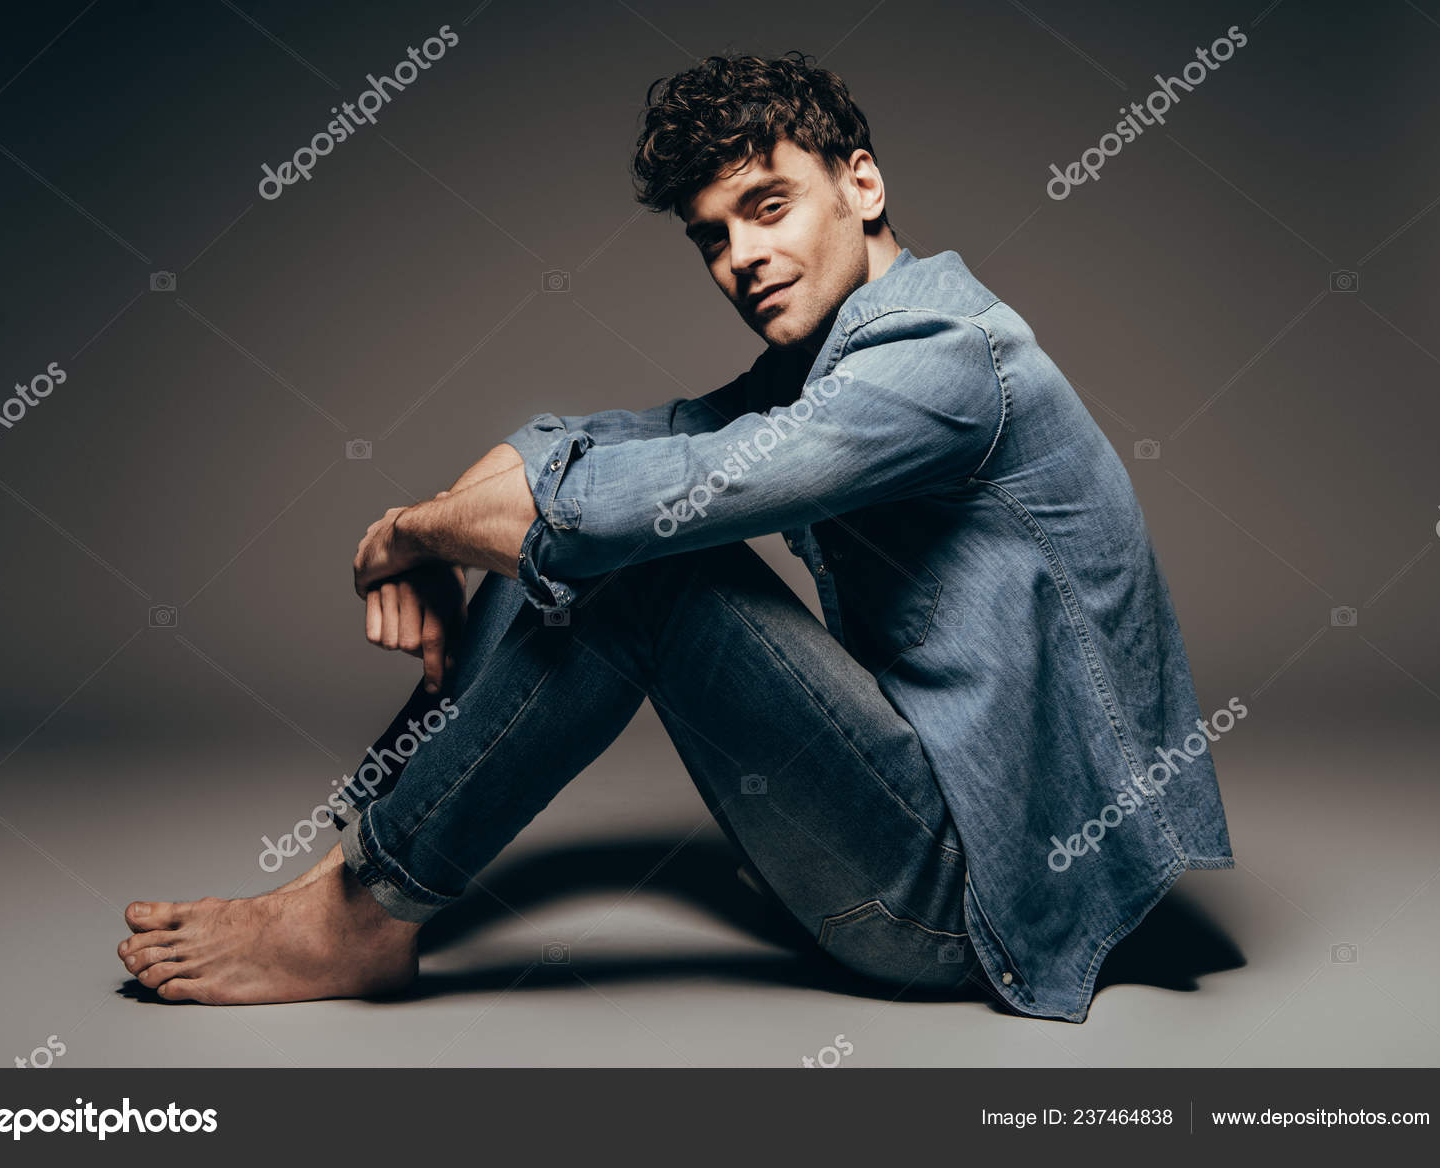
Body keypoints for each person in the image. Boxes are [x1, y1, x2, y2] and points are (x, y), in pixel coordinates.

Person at [118, 51, 1232, 1023]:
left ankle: (360, 910)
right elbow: (584, 440)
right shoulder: (829, 361)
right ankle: (351, 872)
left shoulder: (946, 360)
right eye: (712, 236)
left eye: (767, 206)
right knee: (587, 517)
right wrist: (442, 534)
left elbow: (611, 510)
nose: (740, 258)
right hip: (917, 832)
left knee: (641, 564)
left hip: (969, 906)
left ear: (862, 183)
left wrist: (413, 530)